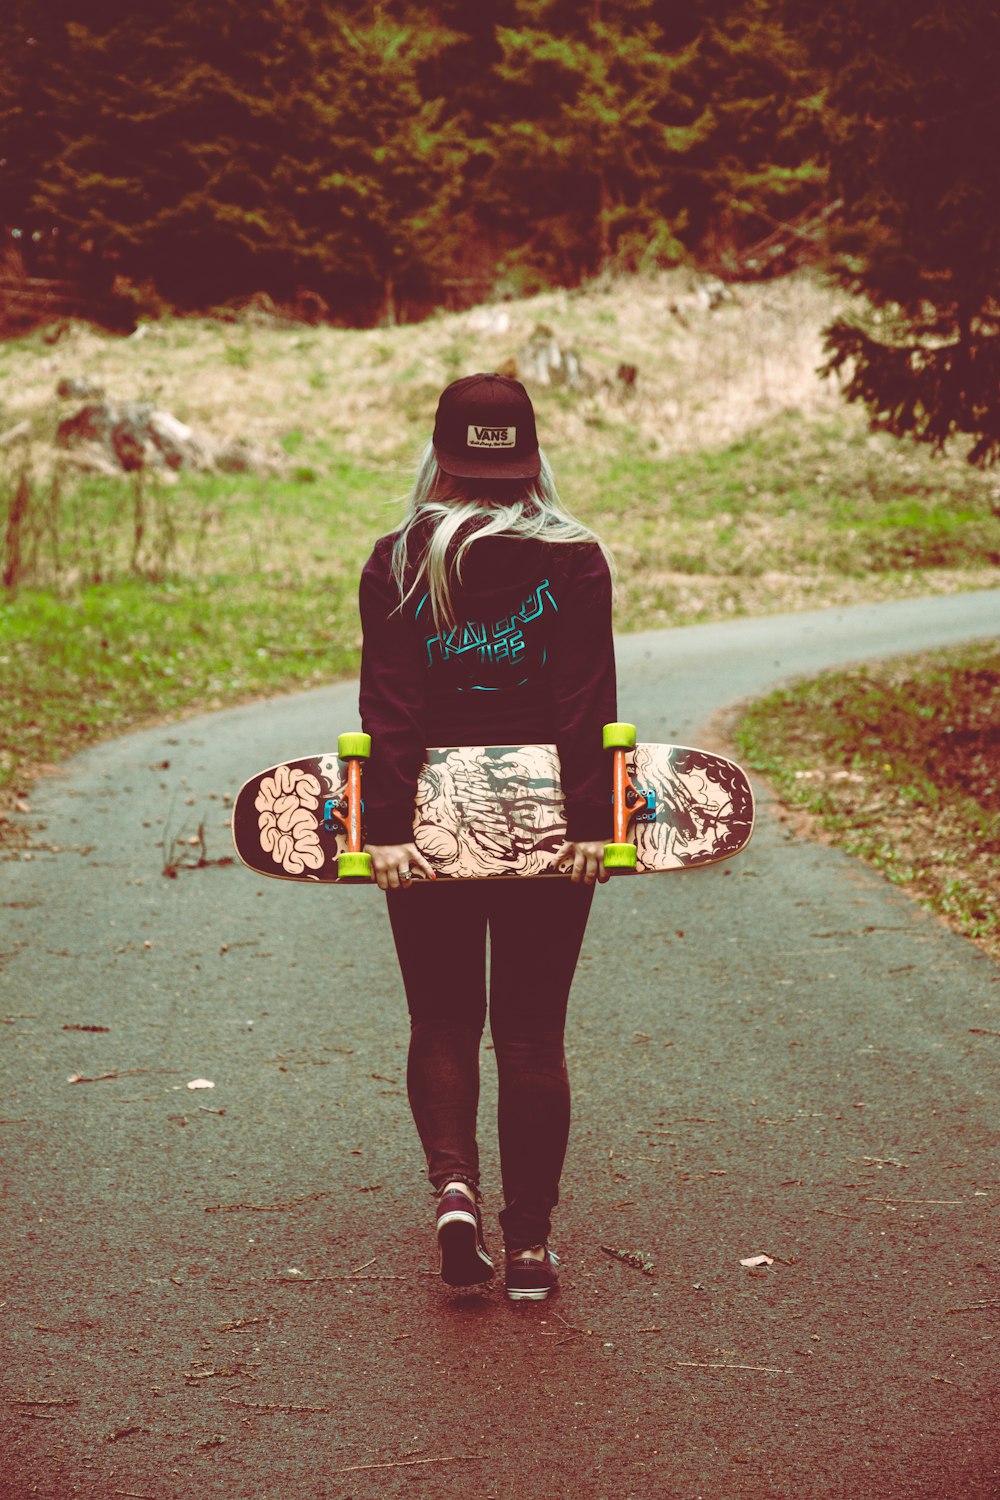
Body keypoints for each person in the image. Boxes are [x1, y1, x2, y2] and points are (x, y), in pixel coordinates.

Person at [358, 373, 616, 1302]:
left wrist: (384, 829)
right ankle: (532, 1251)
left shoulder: (396, 558)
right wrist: (593, 819)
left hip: (427, 823)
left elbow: (390, 706)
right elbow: (588, 701)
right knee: (533, 1034)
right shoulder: (578, 558)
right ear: (533, 459)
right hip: (550, 826)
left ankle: (454, 1188)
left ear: (438, 457)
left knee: (442, 1018)